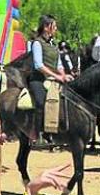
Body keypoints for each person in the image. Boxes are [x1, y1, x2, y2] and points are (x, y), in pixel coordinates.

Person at [28, 15, 73, 146]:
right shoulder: (37, 43)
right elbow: (38, 65)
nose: (56, 28)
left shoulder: (53, 44)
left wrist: (63, 75)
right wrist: (57, 76)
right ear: (47, 27)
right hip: (38, 79)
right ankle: (37, 134)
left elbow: (59, 64)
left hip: (54, 78)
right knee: (41, 102)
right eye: (54, 26)